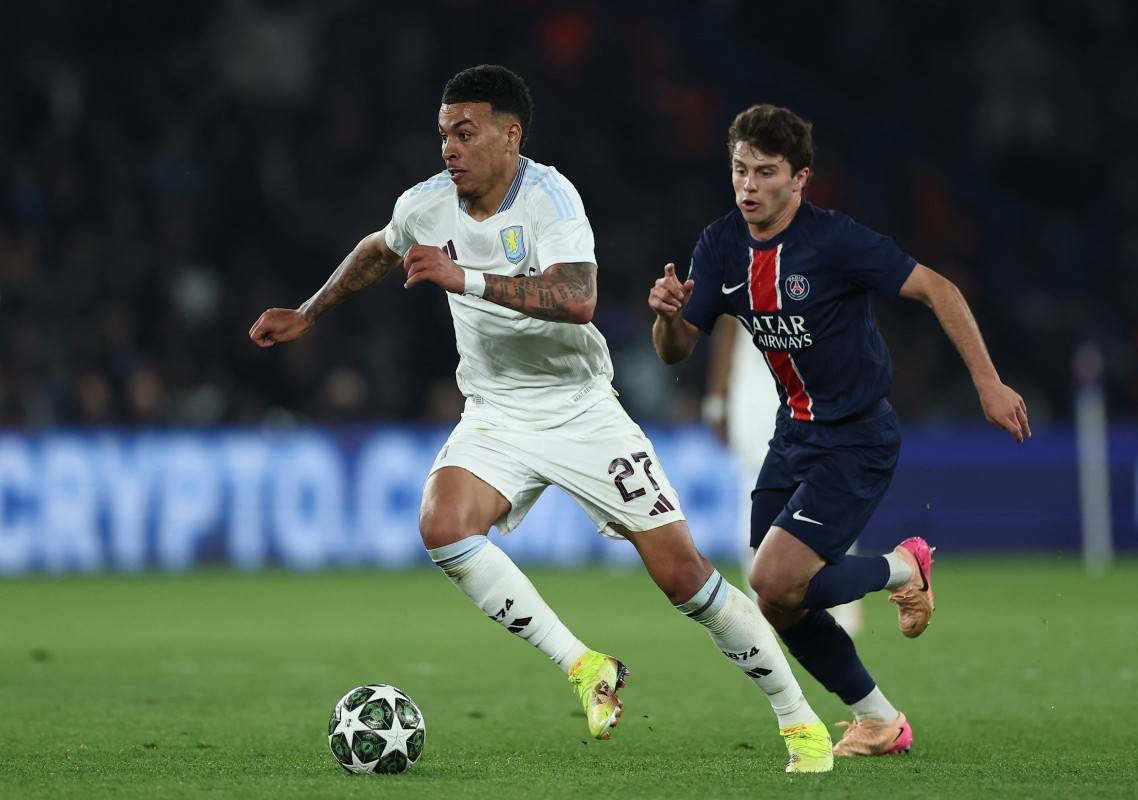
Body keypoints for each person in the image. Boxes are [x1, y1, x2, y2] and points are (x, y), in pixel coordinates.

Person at [249, 68, 836, 773]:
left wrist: (463, 278)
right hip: (496, 412)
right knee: (442, 523)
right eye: (444, 134)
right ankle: (585, 666)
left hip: (580, 408)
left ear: (510, 134)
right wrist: (308, 312)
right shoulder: (426, 204)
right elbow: (380, 247)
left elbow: (578, 298)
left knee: (684, 576)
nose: (450, 148)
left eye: (466, 133)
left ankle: (800, 723)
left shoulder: (551, 198)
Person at [649, 104, 1030, 757]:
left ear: (800, 178)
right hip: (792, 434)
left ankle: (903, 568)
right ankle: (879, 721)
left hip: (856, 437)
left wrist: (988, 383)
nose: (748, 186)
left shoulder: (836, 242)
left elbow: (938, 289)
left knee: (776, 580)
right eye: (739, 170)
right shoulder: (720, 244)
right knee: (776, 600)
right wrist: (666, 317)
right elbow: (677, 349)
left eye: (765, 172)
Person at [704, 317, 863, 635]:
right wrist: (717, 399)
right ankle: (769, 610)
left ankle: (839, 604)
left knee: (824, 496)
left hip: (811, 396)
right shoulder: (740, 284)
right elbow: (727, 326)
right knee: (760, 501)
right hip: (760, 401)